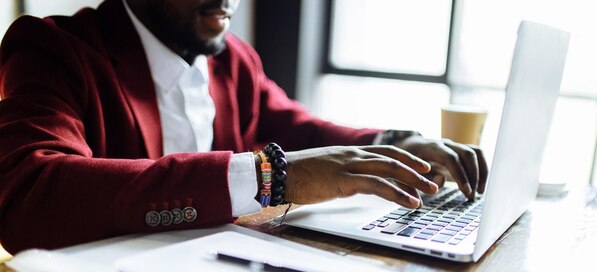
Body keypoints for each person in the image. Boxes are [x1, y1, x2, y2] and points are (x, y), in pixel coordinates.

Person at [0, 0, 488, 254]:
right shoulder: (51, 49)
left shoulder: (235, 60)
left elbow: (300, 129)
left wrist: (397, 143)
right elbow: (30, 197)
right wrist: (270, 177)